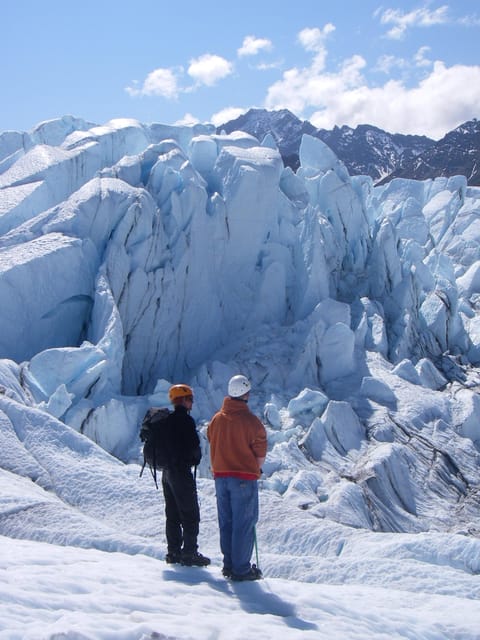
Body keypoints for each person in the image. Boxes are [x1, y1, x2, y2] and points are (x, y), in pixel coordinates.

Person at [208, 375, 267, 581]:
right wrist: (255, 470)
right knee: (244, 522)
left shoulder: (216, 419)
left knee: (227, 521)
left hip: (220, 478)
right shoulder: (251, 422)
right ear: (246, 393)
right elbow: (260, 451)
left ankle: (229, 564)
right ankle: (241, 569)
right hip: (243, 478)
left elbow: (210, 439)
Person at [162, 384, 210, 567]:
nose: (192, 402)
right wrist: (195, 458)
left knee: (172, 513)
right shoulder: (186, 421)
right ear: (182, 400)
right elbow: (193, 448)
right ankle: (189, 552)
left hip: (167, 473)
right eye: (190, 399)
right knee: (190, 514)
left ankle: (173, 552)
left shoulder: (166, 420)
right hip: (181, 472)